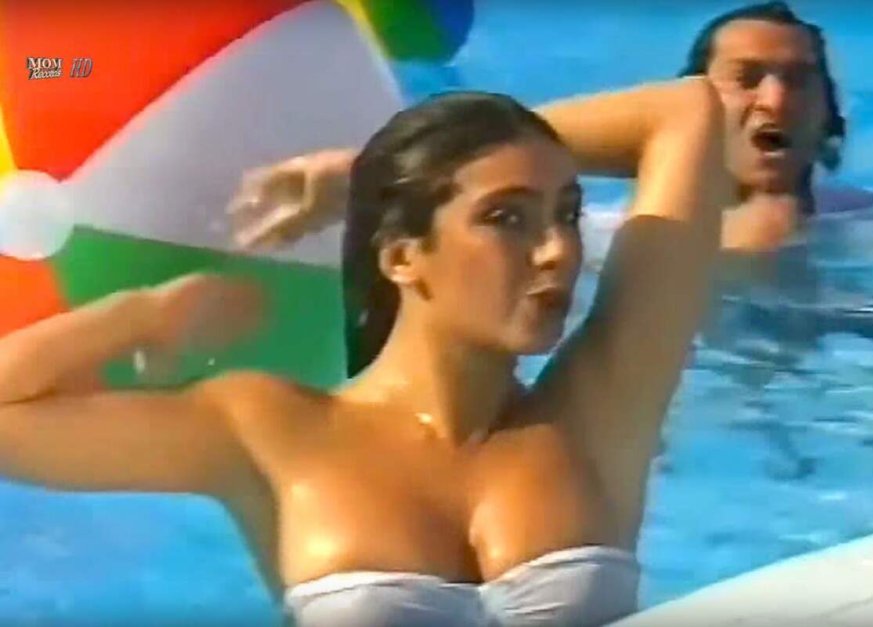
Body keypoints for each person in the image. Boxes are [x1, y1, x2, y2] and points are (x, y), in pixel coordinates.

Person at [0, 79, 731, 626]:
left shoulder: (601, 406)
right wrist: (143, 315)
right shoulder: (272, 432)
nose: (558, 251)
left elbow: (686, 111)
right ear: (402, 256)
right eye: (506, 217)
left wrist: (364, 170)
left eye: (566, 214)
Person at [229, 1, 864, 257]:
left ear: (828, 117)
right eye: (746, 78)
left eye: (799, 81)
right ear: (686, 103)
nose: (775, 99)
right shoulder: (598, 238)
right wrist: (380, 174)